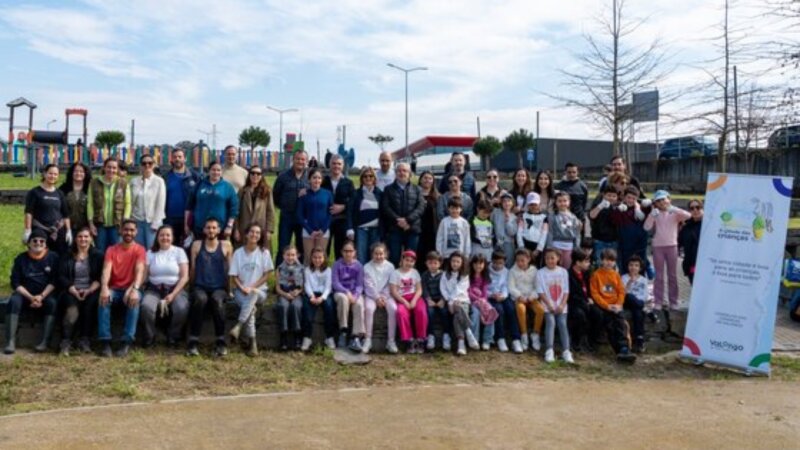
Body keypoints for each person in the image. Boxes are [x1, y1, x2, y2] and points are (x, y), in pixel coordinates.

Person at [4, 229, 60, 354]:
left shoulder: (53, 257)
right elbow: (15, 283)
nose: (38, 243)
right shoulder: (21, 259)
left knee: (53, 303)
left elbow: (54, 281)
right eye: (34, 240)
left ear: (45, 244)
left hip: (45, 294)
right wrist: (31, 297)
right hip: (25, 294)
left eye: (42, 241)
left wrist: (41, 296)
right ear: (29, 243)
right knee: (13, 301)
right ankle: (10, 342)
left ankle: (45, 342)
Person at [98, 220, 146, 358]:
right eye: (126, 229)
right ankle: (105, 342)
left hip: (131, 288)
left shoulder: (140, 249)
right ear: (120, 231)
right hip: (114, 288)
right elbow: (106, 270)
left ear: (136, 232)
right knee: (103, 300)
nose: (128, 233)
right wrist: (104, 288)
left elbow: (140, 271)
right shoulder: (111, 249)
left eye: (131, 230)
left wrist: (135, 289)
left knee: (134, 302)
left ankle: (126, 342)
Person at [187, 218, 234, 357]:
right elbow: (193, 269)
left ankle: (220, 341)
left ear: (219, 230)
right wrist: (190, 288)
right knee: (200, 299)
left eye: (214, 227)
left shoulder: (226, 245)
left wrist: (230, 290)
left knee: (217, 301)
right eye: (208, 227)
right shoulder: (196, 245)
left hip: (219, 287)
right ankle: (193, 341)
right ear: (204, 230)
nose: (211, 230)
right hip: (200, 286)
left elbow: (230, 270)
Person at [140, 225, 189, 348]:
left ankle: (173, 336)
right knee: (146, 307)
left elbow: (184, 277)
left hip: (175, 289)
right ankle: (150, 337)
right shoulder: (150, 253)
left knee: (181, 308)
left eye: (168, 235)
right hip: (154, 289)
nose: (165, 237)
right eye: (162, 235)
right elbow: (144, 275)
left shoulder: (179, 252)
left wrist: (173, 295)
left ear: (172, 238)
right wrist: (136, 288)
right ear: (157, 237)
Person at [228, 223, 274, 357]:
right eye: (252, 232)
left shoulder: (264, 252)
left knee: (253, 295)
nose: (254, 235)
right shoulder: (238, 253)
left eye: (258, 233)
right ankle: (253, 344)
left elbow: (267, 275)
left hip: (259, 291)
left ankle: (239, 325)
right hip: (240, 292)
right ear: (246, 234)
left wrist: (252, 287)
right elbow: (234, 276)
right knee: (250, 309)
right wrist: (242, 287)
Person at [644, 190, 691, 314]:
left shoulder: (674, 213)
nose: (661, 202)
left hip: (672, 246)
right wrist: (651, 215)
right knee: (659, 276)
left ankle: (673, 301)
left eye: (663, 199)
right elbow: (646, 227)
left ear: (669, 199)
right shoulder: (655, 213)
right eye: (658, 201)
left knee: (673, 275)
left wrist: (673, 208)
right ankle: (658, 301)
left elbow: (688, 215)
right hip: (658, 247)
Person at [57, 227, 103, 355]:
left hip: (91, 289)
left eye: (86, 236)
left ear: (91, 238)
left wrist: (89, 290)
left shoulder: (98, 255)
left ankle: (85, 340)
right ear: (75, 239)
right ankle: (66, 341)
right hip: (71, 289)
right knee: (72, 309)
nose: (83, 239)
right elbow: (61, 276)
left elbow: (100, 276)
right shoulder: (67, 255)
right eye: (80, 236)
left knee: (90, 306)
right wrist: (72, 289)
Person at [589, 249, 637, 363]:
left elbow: (621, 291)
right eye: (606, 260)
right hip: (604, 306)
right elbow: (595, 294)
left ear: (615, 262)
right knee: (610, 325)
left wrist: (619, 304)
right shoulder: (596, 275)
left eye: (611, 260)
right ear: (601, 261)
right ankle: (619, 350)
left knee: (621, 324)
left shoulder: (616, 275)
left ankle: (625, 348)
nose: (608, 263)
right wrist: (607, 306)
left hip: (616, 306)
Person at [381, 162, 426, 265]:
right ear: (395, 173)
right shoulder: (388, 189)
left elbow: (421, 207)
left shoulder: (417, 189)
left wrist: (407, 220)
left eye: (404, 171)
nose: (402, 173)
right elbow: (386, 207)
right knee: (394, 259)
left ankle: (409, 280)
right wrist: (398, 221)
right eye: (399, 171)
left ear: (409, 173)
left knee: (410, 260)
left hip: (412, 229)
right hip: (394, 229)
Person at [24, 164, 72, 255]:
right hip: (40, 230)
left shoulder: (60, 193)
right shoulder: (34, 192)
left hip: (58, 231)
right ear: (44, 174)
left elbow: (66, 214)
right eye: (50, 173)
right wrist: (28, 229)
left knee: (60, 256)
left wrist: (68, 230)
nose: (52, 176)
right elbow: (28, 213)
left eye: (55, 174)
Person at [186, 161, 239, 242]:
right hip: (200, 228)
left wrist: (229, 226)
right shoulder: (199, 185)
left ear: (221, 172)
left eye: (218, 170)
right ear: (209, 171)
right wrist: (186, 225)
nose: (216, 172)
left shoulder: (227, 187)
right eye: (213, 170)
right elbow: (189, 206)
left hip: (220, 229)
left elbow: (234, 208)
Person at [536, 249, 573, 364]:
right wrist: (549, 304)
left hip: (561, 305)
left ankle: (566, 351)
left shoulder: (563, 272)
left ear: (558, 258)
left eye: (552, 258)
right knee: (551, 322)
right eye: (547, 258)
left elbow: (566, 291)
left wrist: (562, 304)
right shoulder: (540, 273)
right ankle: (549, 350)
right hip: (547, 305)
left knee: (562, 323)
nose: (550, 260)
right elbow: (540, 292)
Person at [273, 150, 309, 266]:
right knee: (283, 247)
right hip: (287, 217)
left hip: (303, 219)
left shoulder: (310, 177)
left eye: (303, 159)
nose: (300, 161)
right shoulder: (283, 176)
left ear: (306, 161)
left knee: (301, 249)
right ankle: (279, 279)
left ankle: (299, 278)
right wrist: (285, 206)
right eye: (298, 159)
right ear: (293, 160)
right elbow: (275, 196)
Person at [88, 158, 130, 253]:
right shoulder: (94, 182)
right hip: (99, 225)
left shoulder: (123, 183)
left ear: (117, 169)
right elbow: (90, 204)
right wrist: (91, 223)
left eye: (114, 168)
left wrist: (124, 222)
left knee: (116, 252)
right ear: (104, 167)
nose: (111, 170)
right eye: (109, 167)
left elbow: (128, 204)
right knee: (100, 251)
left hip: (117, 225)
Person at [440, 251, 477, 355]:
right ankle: (468, 333)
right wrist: (449, 301)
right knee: (458, 311)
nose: (455, 263)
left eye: (458, 261)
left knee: (458, 309)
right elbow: (443, 288)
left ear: (462, 263)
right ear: (450, 262)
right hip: (450, 302)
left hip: (463, 300)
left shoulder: (465, 275)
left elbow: (459, 289)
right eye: (453, 261)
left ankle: (461, 343)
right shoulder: (445, 274)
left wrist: (452, 302)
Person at [389, 250, 427, 354]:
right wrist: (404, 302)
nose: (408, 263)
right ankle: (409, 340)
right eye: (406, 260)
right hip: (402, 298)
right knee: (401, 313)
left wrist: (414, 300)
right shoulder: (395, 273)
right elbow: (393, 291)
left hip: (415, 297)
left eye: (411, 261)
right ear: (402, 260)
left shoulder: (415, 272)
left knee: (421, 311)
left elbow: (419, 289)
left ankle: (420, 339)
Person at [363, 242, 397, 354]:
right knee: (368, 309)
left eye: (381, 254)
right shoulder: (367, 267)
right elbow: (368, 285)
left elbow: (390, 283)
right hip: (372, 296)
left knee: (393, 308)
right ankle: (368, 339)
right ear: (372, 254)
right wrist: (377, 298)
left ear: (386, 254)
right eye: (376, 254)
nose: (379, 256)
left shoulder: (390, 266)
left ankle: (391, 341)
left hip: (387, 296)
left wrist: (384, 297)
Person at [301, 247, 337, 351]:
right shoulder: (307, 270)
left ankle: (329, 337)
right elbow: (307, 285)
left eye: (320, 257)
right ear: (311, 258)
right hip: (311, 294)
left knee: (329, 309)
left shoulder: (328, 270)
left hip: (325, 294)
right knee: (307, 312)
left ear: (324, 258)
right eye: (315, 257)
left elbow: (328, 287)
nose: (317, 260)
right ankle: (307, 337)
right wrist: (311, 296)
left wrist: (322, 298)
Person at [611, 186, 653, 277]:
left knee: (640, 271)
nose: (630, 200)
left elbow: (655, 207)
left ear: (637, 198)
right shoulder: (620, 208)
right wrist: (618, 210)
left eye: (633, 198)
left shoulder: (642, 208)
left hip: (640, 247)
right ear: (624, 197)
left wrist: (649, 202)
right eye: (628, 197)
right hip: (625, 247)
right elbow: (614, 220)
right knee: (625, 270)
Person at [332, 240, 366, 351]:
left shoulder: (359, 266)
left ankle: (355, 337)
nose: (348, 253)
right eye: (345, 251)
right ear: (342, 252)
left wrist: (355, 296)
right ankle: (343, 331)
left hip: (355, 293)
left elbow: (360, 284)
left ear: (355, 252)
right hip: (341, 292)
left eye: (350, 251)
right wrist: (346, 292)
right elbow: (335, 283)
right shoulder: (337, 265)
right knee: (343, 300)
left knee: (359, 304)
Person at [164, 148, 201, 247]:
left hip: (189, 219)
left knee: (188, 246)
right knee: (171, 246)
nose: (177, 159)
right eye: (175, 157)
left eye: (180, 157)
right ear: (171, 159)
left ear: (185, 159)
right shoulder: (166, 176)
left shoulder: (195, 176)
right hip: (170, 218)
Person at [566, 249, 601, 353]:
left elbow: (589, 289)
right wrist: (584, 302)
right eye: (586, 262)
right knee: (579, 315)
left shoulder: (586, 274)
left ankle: (592, 341)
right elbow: (571, 294)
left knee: (598, 314)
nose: (588, 264)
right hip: (574, 303)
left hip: (587, 301)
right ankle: (576, 341)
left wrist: (590, 298)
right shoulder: (569, 275)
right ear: (577, 262)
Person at [508, 249, 543, 352]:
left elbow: (538, 286)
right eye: (518, 260)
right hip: (520, 297)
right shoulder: (512, 271)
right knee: (521, 309)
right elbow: (511, 287)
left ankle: (535, 334)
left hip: (531, 297)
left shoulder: (534, 270)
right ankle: (524, 335)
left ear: (529, 259)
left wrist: (533, 296)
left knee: (540, 310)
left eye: (522, 260)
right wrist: (519, 296)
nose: (520, 263)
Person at [297, 168, 334, 264]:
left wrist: (323, 229)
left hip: (323, 231)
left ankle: (321, 278)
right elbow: (299, 215)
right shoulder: (304, 194)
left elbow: (330, 213)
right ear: (309, 179)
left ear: (321, 180)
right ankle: (308, 279)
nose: (316, 180)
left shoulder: (328, 194)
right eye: (314, 178)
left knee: (321, 259)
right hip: (308, 231)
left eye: (319, 178)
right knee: (308, 259)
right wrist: (310, 231)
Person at [488, 250, 523, 353]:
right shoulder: (487, 270)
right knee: (499, 310)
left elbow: (506, 286)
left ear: (504, 263)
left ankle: (516, 339)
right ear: (492, 261)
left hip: (503, 296)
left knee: (511, 309)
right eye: (495, 263)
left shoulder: (506, 271)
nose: (498, 266)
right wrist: (492, 295)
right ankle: (500, 338)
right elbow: (485, 287)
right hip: (491, 296)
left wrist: (503, 296)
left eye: (500, 263)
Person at [130, 154, 166, 248]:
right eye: (144, 163)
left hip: (152, 222)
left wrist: (156, 223)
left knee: (152, 249)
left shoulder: (159, 181)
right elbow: (129, 202)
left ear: (154, 165)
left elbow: (160, 203)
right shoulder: (134, 181)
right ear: (140, 165)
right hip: (137, 221)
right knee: (139, 250)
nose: (147, 165)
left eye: (150, 163)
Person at [322, 154, 355, 259]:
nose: (336, 166)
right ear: (330, 165)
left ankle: (339, 272)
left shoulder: (348, 183)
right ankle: (323, 272)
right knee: (324, 249)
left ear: (343, 166)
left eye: (339, 164)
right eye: (334, 163)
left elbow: (354, 201)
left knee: (340, 249)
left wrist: (343, 207)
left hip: (342, 220)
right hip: (325, 220)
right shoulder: (323, 181)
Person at [348, 167, 383, 264]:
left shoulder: (379, 193)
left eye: (371, 176)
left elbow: (383, 213)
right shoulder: (356, 193)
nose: (368, 178)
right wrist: (350, 228)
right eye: (365, 176)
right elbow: (350, 212)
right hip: (361, 230)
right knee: (361, 256)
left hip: (376, 230)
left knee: (375, 256)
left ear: (374, 178)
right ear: (361, 178)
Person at [236, 166, 275, 251]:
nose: (255, 175)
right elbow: (236, 212)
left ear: (261, 176)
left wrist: (269, 230)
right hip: (245, 228)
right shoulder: (242, 191)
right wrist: (236, 229)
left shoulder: (267, 191)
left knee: (262, 254)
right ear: (249, 175)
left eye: (258, 174)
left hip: (261, 228)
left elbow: (270, 211)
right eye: (253, 173)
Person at [274, 245, 305, 351]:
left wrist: (298, 291)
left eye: (293, 255)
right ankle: (284, 336)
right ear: (283, 256)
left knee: (296, 306)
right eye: (288, 255)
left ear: (297, 256)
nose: (290, 257)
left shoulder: (301, 268)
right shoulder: (279, 268)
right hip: (284, 293)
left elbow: (303, 286)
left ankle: (297, 336)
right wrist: (285, 294)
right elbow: (277, 288)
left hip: (296, 294)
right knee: (283, 306)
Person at [468, 254, 498, 350]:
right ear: (472, 264)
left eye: (481, 263)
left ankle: (487, 340)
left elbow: (485, 293)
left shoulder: (485, 277)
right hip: (472, 302)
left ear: (484, 265)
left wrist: (483, 301)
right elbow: (467, 291)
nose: (478, 266)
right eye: (476, 263)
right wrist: (477, 300)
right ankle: (474, 339)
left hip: (482, 301)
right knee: (475, 314)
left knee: (490, 311)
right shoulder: (468, 276)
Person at [422, 251, 450, 351]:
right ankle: (431, 335)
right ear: (426, 263)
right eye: (430, 263)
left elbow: (446, 288)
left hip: (442, 299)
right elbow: (424, 289)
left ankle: (446, 335)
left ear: (440, 263)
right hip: (430, 300)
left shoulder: (444, 275)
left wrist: (443, 299)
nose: (433, 265)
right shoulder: (425, 275)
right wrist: (428, 299)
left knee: (444, 312)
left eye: (435, 263)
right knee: (430, 313)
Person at [588, 186, 622, 266]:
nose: (611, 198)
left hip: (613, 240)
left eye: (614, 196)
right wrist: (600, 206)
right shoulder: (599, 204)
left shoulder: (619, 207)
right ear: (604, 195)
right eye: (609, 195)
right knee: (599, 263)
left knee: (612, 264)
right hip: (599, 240)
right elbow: (592, 215)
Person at [547, 192, 581, 269]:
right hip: (556, 246)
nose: (562, 203)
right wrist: (549, 247)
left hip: (569, 247)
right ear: (555, 202)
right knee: (555, 267)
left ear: (569, 202)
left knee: (567, 268)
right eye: (560, 201)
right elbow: (550, 232)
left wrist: (576, 247)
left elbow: (577, 234)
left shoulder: (573, 217)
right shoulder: (552, 216)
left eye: (565, 201)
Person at [622, 255, 647, 353]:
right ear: (627, 266)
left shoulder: (643, 280)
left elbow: (645, 295)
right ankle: (648, 312)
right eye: (631, 265)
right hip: (627, 301)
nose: (633, 267)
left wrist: (638, 302)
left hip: (638, 304)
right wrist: (629, 283)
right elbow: (622, 293)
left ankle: (639, 340)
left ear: (640, 268)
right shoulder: (624, 277)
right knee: (629, 296)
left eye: (636, 265)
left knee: (638, 313)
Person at [415, 171, 440, 272]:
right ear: (420, 180)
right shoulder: (415, 194)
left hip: (432, 232)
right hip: (418, 231)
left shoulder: (438, 197)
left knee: (431, 257)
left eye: (430, 178)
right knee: (419, 256)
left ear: (433, 181)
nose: (427, 180)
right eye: (425, 178)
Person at [60, 162, 92, 235]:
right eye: (76, 171)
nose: (78, 173)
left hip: (85, 228)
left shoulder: (90, 189)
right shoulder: (63, 188)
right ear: (71, 173)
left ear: (85, 173)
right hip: (66, 227)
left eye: (81, 171)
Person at [517, 192, 549, 266]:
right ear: (528, 205)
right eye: (531, 204)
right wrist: (522, 246)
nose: (533, 206)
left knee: (535, 266)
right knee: (524, 265)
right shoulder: (523, 216)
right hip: (525, 244)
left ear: (539, 204)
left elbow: (544, 234)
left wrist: (538, 249)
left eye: (535, 204)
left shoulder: (544, 217)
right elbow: (519, 232)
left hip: (537, 245)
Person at [678, 199, 704, 285]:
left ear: (702, 208)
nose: (695, 210)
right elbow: (679, 242)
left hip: (706, 266)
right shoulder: (686, 227)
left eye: (698, 207)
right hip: (692, 265)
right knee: (695, 287)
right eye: (692, 208)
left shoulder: (709, 225)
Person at [491, 193, 518, 268]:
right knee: (495, 263)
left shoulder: (514, 217)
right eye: (504, 201)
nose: (507, 203)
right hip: (497, 243)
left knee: (508, 263)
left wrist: (508, 221)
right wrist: (492, 202)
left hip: (508, 243)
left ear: (512, 203)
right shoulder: (496, 212)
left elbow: (512, 232)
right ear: (501, 203)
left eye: (509, 201)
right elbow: (488, 216)